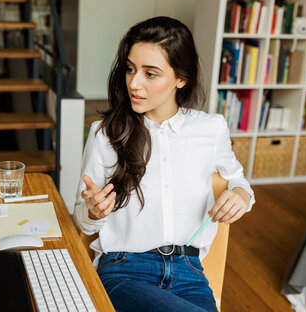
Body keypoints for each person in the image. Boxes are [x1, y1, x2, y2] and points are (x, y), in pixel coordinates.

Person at [73, 16, 255, 312]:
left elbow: (239, 182)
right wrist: (93, 212)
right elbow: (81, 220)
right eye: (130, 69)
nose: (134, 83)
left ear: (181, 78)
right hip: (123, 270)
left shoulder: (211, 129)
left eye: (150, 73)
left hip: (189, 273)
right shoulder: (104, 134)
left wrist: (242, 196)